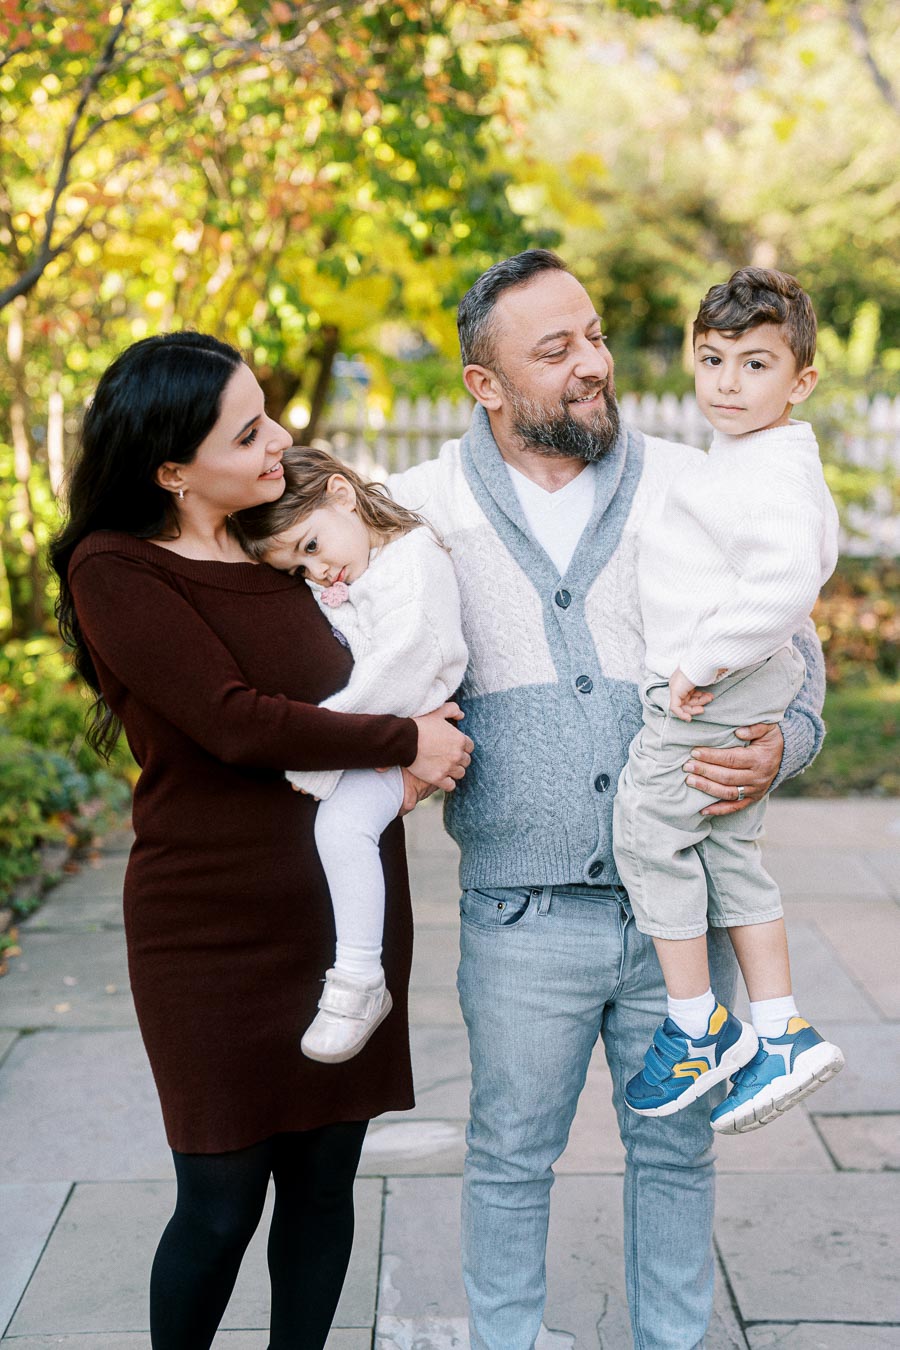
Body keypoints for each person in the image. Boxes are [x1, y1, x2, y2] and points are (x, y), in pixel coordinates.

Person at [386, 250, 827, 1350]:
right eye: (556, 350)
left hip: (675, 916)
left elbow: (800, 670)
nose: (594, 364)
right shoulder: (418, 511)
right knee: (508, 1160)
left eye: (594, 335)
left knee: (677, 1153)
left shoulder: (701, 479)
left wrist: (782, 748)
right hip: (519, 915)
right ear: (485, 385)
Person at [48, 332, 472, 1350]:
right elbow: (236, 721)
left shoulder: (283, 533)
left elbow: (399, 641)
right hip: (210, 926)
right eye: (249, 432)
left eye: (269, 412)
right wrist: (402, 739)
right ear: (172, 470)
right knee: (220, 1199)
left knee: (326, 1187)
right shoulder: (116, 569)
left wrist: (425, 744)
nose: (281, 439)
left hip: (343, 922)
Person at [614, 267, 844, 1134]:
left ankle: (698, 1023)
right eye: (713, 360)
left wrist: (702, 660)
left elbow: (786, 581)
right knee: (728, 847)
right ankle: (780, 1027)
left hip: (714, 681)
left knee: (648, 827)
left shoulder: (775, 469)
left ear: (801, 380)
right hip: (734, 673)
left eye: (755, 365)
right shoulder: (751, 454)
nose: (728, 384)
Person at [233, 445, 467, 1063]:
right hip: (388, 738)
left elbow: (399, 666)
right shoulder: (361, 568)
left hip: (398, 729)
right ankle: (355, 977)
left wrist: (317, 751)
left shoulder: (411, 563)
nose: (316, 573)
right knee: (338, 835)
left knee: (342, 828)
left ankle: (360, 979)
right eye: (297, 570)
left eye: (311, 548)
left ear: (343, 494)